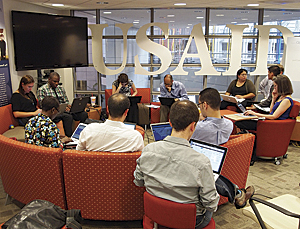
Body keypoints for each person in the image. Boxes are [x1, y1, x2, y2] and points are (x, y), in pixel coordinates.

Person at [134, 100, 254, 229]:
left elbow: (139, 181)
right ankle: (237, 194)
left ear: (170, 122)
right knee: (211, 183)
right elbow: (211, 204)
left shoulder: (148, 149)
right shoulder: (201, 162)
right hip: (192, 221)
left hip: (156, 214)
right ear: (193, 126)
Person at [235, 75, 294, 163]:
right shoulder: (281, 97)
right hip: (269, 122)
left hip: (272, 125)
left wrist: (255, 114)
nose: (274, 88)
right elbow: (271, 111)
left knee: (241, 123)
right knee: (241, 122)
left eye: (275, 86)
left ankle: (250, 152)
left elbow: (274, 116)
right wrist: (273, 99)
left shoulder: (286, 100)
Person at [76, 93, 144, 152]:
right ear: (126, 112)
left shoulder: (88, 130)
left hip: (93, 167)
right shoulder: (135, 137)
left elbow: (78, 153)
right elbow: (140, 160)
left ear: (107, 109)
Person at [37, 72, 88, 137]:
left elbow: (66, 101)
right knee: (68, 117)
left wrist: (68, 106)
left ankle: (81, 135)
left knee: (83, 114)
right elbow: (43, 105)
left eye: (58, 81)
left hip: (64, 110)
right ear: (49, 79)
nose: (56, 83)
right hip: (53, 112)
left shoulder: (60, 88)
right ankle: (68, 137)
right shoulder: (42, 90)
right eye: (54, 81)